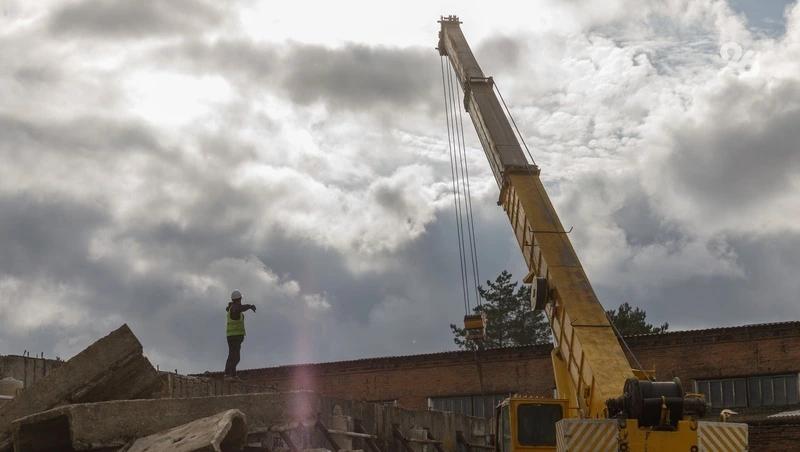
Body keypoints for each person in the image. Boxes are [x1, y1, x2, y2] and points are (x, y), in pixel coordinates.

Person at [224, 290, 256, 378]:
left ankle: (232, 374)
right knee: (234, 356)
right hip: (234, 336)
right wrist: (249, 306)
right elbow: (240, 308)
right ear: (239, 299)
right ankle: (227, 374)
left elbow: (239, 308)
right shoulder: (235, 308)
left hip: (234, 336)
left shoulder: (233, 308)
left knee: (234, 355)